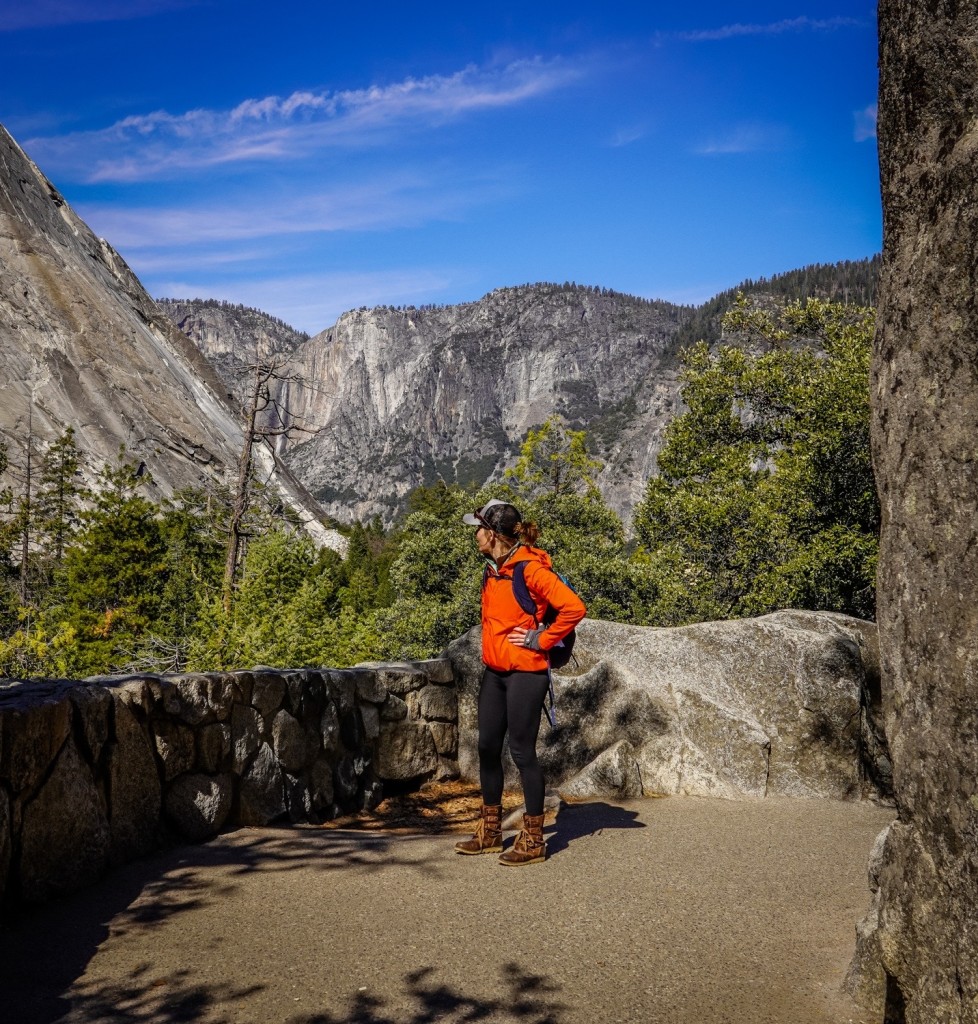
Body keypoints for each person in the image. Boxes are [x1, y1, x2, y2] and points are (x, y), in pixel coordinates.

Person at [454, 498, 586, 865]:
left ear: (494, 534)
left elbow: (575, 607)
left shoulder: (530, 570)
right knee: (486, 747)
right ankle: (491, 831)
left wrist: (540, 640)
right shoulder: (494, 569)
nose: (475, 535)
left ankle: (533, 839)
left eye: (479, 529)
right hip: (496, 671)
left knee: (522, 752)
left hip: (526, 672)